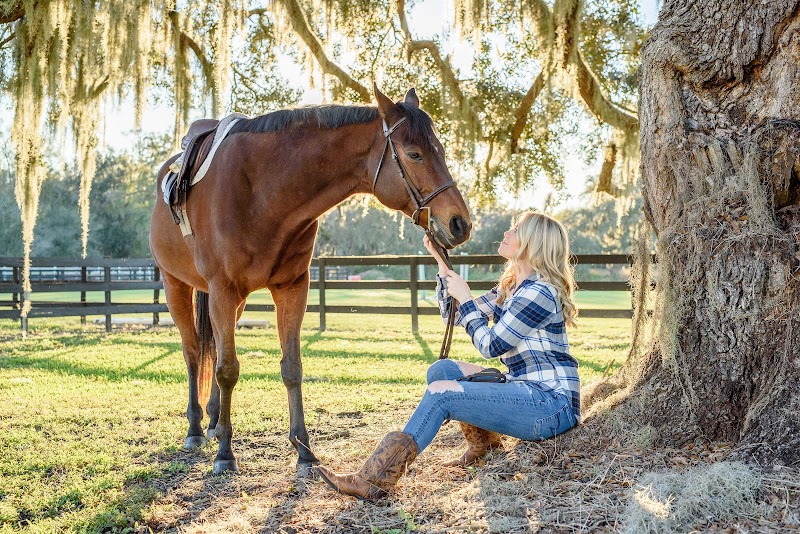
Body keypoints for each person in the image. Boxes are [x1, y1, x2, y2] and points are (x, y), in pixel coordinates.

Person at [315, 211, 580, 501]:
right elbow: (454, 317)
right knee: (442, 371)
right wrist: (442, 266)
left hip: (550, 405)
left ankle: (373, 480)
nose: (506, 233)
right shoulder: (511, 286)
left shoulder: (540, 292)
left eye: (515, 229)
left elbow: (491, 346)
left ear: (533, 243)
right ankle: (485, 449)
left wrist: (466, 297)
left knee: (442, 394)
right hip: (525, 389)